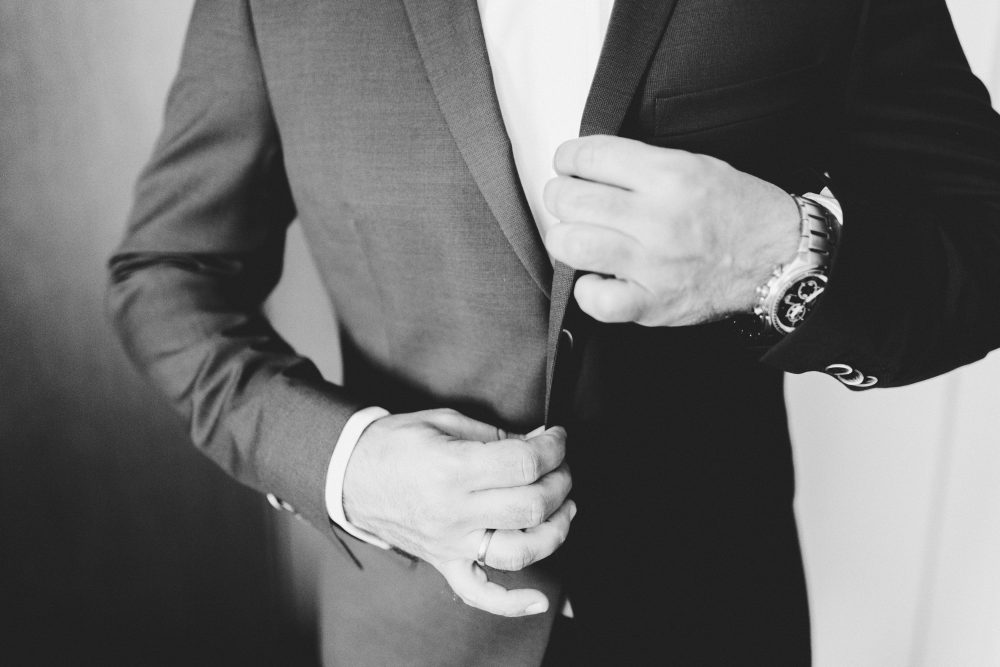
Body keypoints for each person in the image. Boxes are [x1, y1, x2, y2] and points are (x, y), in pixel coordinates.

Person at [107, 0, 1000, 664]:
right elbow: (169, 276)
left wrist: (773, 252)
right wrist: (349, 466)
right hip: (409, 636)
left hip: (716, 616)